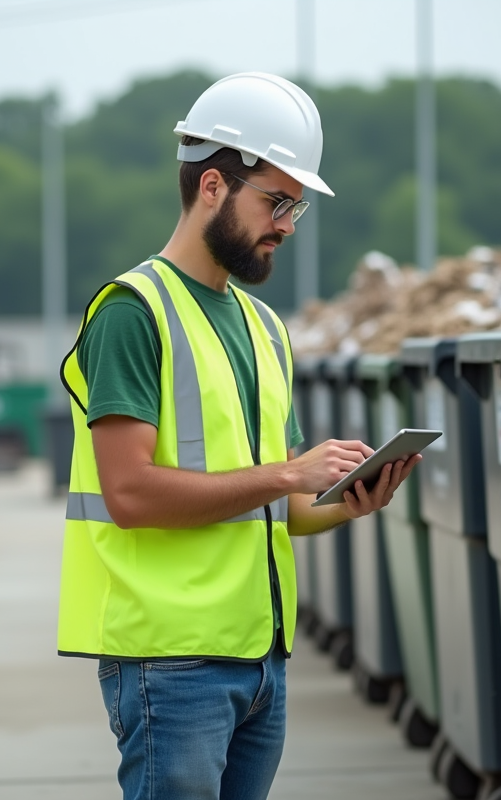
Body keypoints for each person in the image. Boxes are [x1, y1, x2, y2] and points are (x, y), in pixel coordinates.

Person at [57, 72, 419, 800]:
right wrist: (289, 474)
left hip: (261, 661)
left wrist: (347, 501)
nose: (287, 223)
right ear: (213, 186)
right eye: (276, 201)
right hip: (171, 662)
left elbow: (277, 512)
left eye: (298, 206)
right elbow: (128, 493)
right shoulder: (133, 313)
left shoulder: (263, 328)